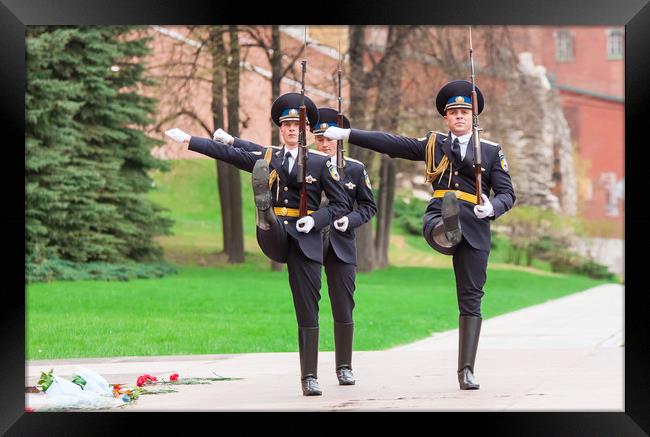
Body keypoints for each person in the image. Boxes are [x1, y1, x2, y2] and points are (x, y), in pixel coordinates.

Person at [323, 80, 516, 390]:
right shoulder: (434, 144)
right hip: (440, 214)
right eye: (453, 112)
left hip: (476, 225)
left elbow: (508, 193)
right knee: (443, 224)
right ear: (445, 118)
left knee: (471, 298)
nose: (459, 117)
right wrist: (349, 134)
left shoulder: (491, 151)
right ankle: (447, 231)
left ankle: (466, 370)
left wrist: (492, 207)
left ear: (474, 115)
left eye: (465, 112)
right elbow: (393, 143)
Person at [165, 92, 350, 396]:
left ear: (304, 131)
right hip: (275, 234)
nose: (291, 129)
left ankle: (309, 377)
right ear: (280, 128)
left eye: (296, 125)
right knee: (268, 212)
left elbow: (341, 204)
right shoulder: (267, 157)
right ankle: (264, 208)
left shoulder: (320, 163)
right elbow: (228, 154)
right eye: (286, 124)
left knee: (307, 308)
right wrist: (189, 140)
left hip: (306, 238)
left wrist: (315, 220)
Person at [215, 107, 377, 385]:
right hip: (308, 239)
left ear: (340, 140)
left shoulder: (355, 168)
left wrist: (348, 221)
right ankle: (310, 374)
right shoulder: (304, 162)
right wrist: (231, 141)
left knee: (343, 305)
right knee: (307, 303)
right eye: (319, 138)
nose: (324, 143)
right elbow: (262, 151)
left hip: (339, 242)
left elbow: (368, 207)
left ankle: (344, 366)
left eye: (329, 139)